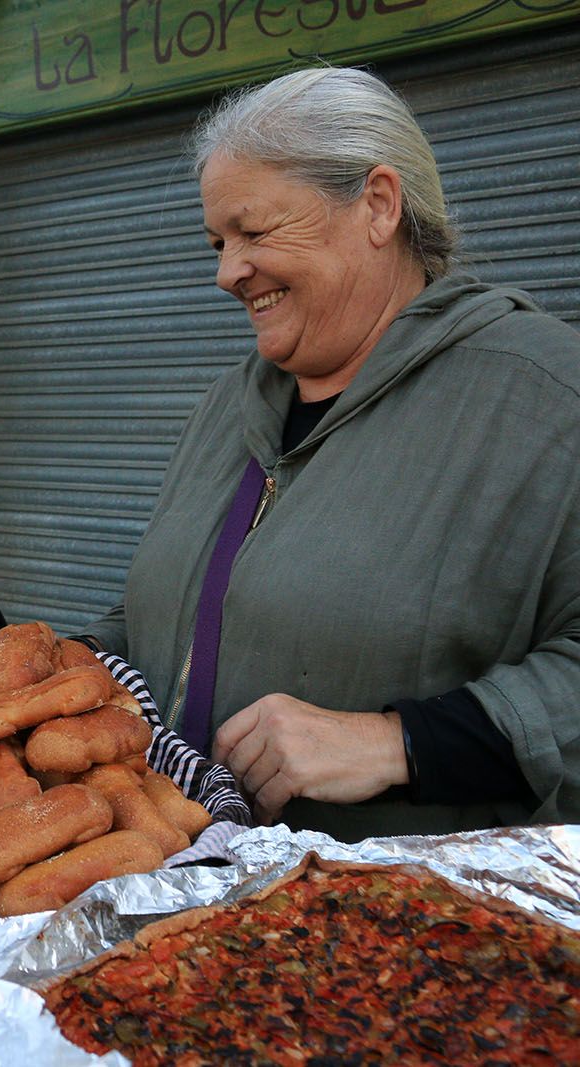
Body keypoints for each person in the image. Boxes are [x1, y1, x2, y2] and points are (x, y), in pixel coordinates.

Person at [77, 67, 580, 841]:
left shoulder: (545, 396)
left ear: (378, 205)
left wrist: (398, 743)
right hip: (187, 899)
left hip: (396, 931)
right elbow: (175, 616)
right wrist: (65, 662)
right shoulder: (229, 404)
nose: (224, 272)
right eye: (218, 241)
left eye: (253, 231)